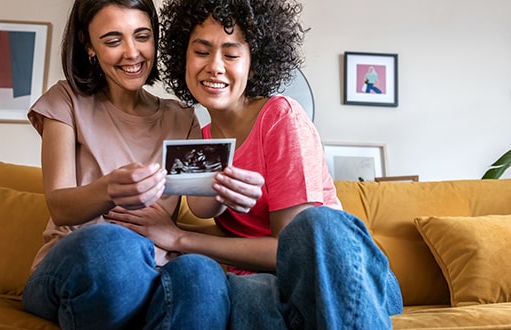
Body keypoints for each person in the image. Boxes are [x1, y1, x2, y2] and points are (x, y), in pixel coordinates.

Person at [114, 0, 404, 328]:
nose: (215, 66)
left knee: (314, 225)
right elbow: (217, 224)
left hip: (340, 278)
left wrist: (180, 238)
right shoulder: (199, 140)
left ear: (254, 63)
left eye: (231, 53)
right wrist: (162, 228)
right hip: (265, 286)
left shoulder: (281, 117)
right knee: (218, 286)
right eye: (202, 51)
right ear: (183, 57)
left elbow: (292, 250)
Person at [21, 0, 233, 328]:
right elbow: (60, 207)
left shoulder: (182, 117)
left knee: (201, 273)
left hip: (155, 270)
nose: (132, 53)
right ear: (88, 45)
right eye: (113, 40)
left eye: (142, 36)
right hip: (74, 266)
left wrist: (224, 187)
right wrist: (109, 188)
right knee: (116, 245)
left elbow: (201, 205)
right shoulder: (66, 100)